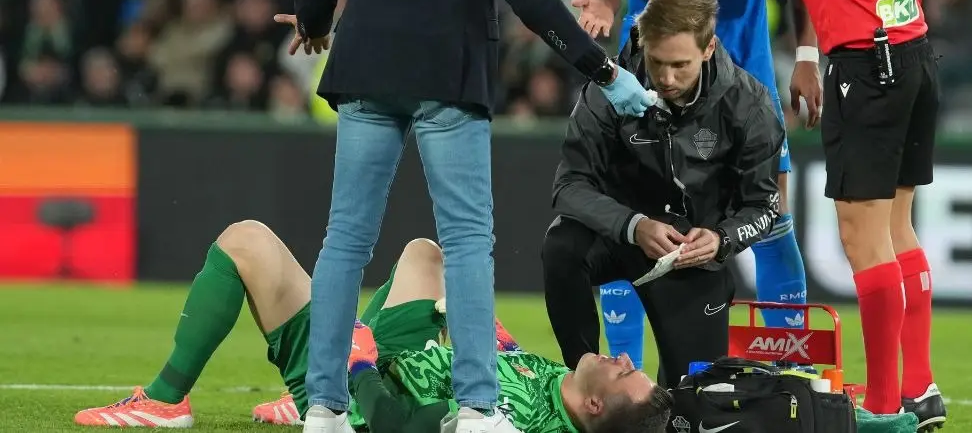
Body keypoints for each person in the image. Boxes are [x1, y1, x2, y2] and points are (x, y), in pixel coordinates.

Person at [271, 0, 656, 431]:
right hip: (447, 74)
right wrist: (602, 69)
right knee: (468, 241)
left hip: (366, 69)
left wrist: (310, 21)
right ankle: (478, 409)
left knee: (345, 241)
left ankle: (325, 408)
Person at [644, 0, 947, 430]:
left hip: (867, 69)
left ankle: (885, 406)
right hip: (916, 57)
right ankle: (920, 387)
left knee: (862, 239)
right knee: (899, 230)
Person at [570, 0, 815, 370]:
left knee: (771, 219)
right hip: (658, 90)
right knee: (634, 230)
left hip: (745, 82)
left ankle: (792, 370)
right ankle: (627, 381)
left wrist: (808, 52)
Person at [73, 220, 674, 433]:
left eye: (626, 373)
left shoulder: (511, 426)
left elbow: (394, 425)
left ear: (595, 406)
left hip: (361, 387)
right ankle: (299, 396)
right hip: (406, 358)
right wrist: (495, 337)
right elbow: (513, 366)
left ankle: (166, 400)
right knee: (425, 256)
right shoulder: (566, 388)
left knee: (245, 241)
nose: (625, 358)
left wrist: (356, 363)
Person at [544, 0, 784, 388]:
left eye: (680, 65)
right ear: (642, 43)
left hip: (689, 258)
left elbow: (764, 207)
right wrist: (634, 225)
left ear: (709, 49)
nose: (667, 78)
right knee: (562, 245)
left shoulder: (749, 105)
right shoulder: (609, 88)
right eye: (657, 62)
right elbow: (568, 185)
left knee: (690, 398)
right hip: (618, 236)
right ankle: (584, 382)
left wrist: (721, 239)